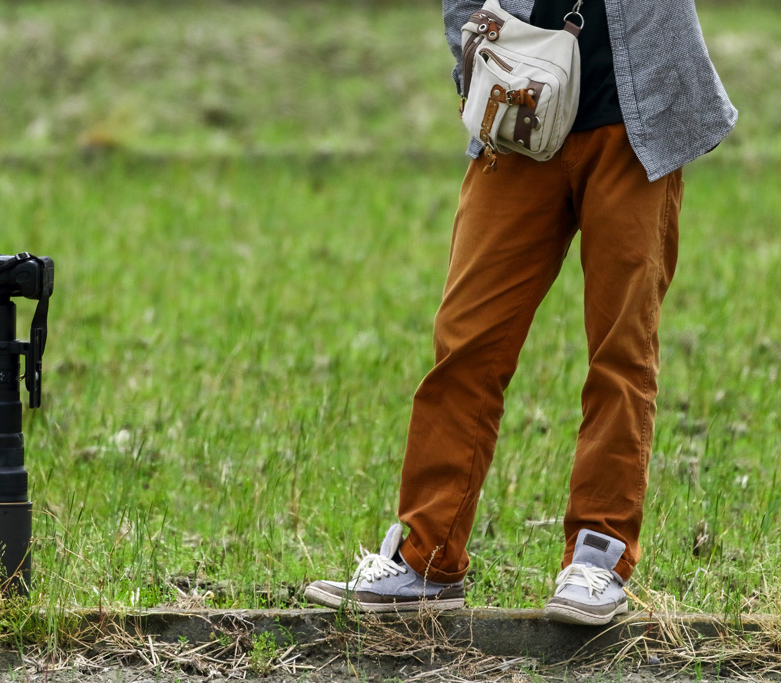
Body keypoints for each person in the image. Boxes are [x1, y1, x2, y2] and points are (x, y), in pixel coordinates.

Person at [305, 0, 736, 625]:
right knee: (466, 341)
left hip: (638, 123)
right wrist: (474, 66)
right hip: (518, 108)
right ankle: (425, 561)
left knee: (621, 349)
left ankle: (599, 558)